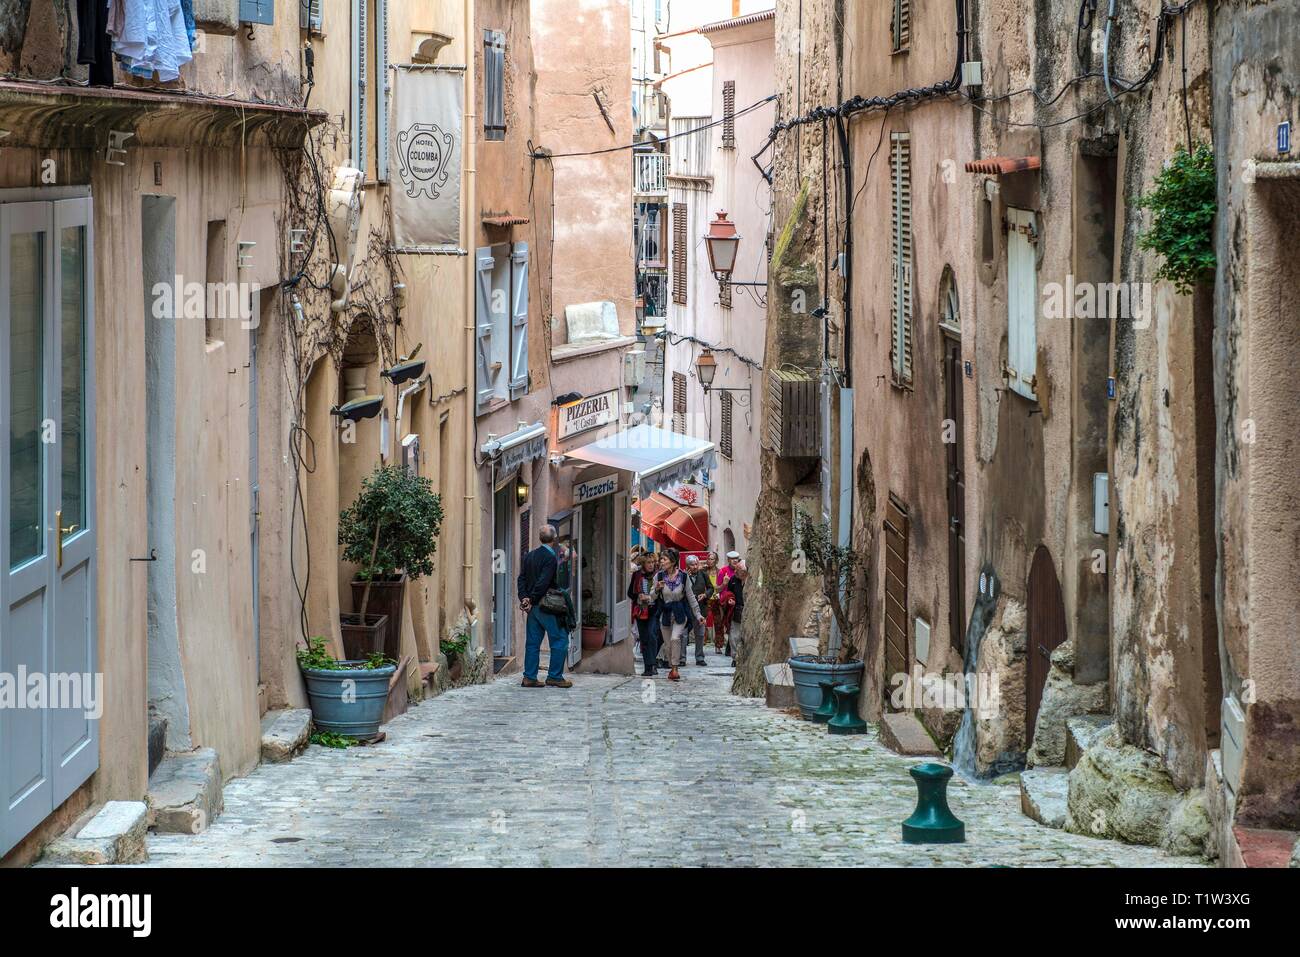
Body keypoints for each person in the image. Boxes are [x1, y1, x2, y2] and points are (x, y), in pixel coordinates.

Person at [516, 524, 573, 688]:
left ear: (540, 538)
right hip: (547, 605)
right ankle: (555, 676)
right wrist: (532, 599)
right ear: (554, 538)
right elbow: (543, 582)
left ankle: (529, 677)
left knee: (532, 642)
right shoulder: (550, 558)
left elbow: (521, 579)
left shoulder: (530, 556)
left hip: (533, 608)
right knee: (560, 639)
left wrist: (525, 598)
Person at [654, 550, 701, 681]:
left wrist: (698, 615)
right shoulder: (658, 577)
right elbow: (652, 597)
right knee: (668, 645)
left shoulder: (683, 577)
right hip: (666, 614)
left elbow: (691, 597)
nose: (661, 561)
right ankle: (672, 666)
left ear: (673, 561)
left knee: (675, 639)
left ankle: (675, 669)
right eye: (661, 559)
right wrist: (657, 588)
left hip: (680, 613)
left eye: (664, 559)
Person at [628, 552, 659, 677]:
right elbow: (630, 593)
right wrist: (638, 596)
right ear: (643, 564)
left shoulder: (658, 575)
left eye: (652, 562)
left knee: (652, 635)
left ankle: (653, 664)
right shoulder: (637, 575)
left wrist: (652, 597)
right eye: (648, 562)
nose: (651, 565)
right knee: (644, 638)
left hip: (654, 610)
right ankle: (648, 667)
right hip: (641, 610)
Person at [684, 554, 713, 666]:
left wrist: (705, 595)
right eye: (692, 565)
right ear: (687, 566)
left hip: (700, 608)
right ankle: (682, 659)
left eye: (697, 564)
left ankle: (700, 657)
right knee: (684, 635)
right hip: (687, 608)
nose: (695, 566)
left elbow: (711, 588)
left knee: (700, 634)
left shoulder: (703, 574)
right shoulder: (683, 575)